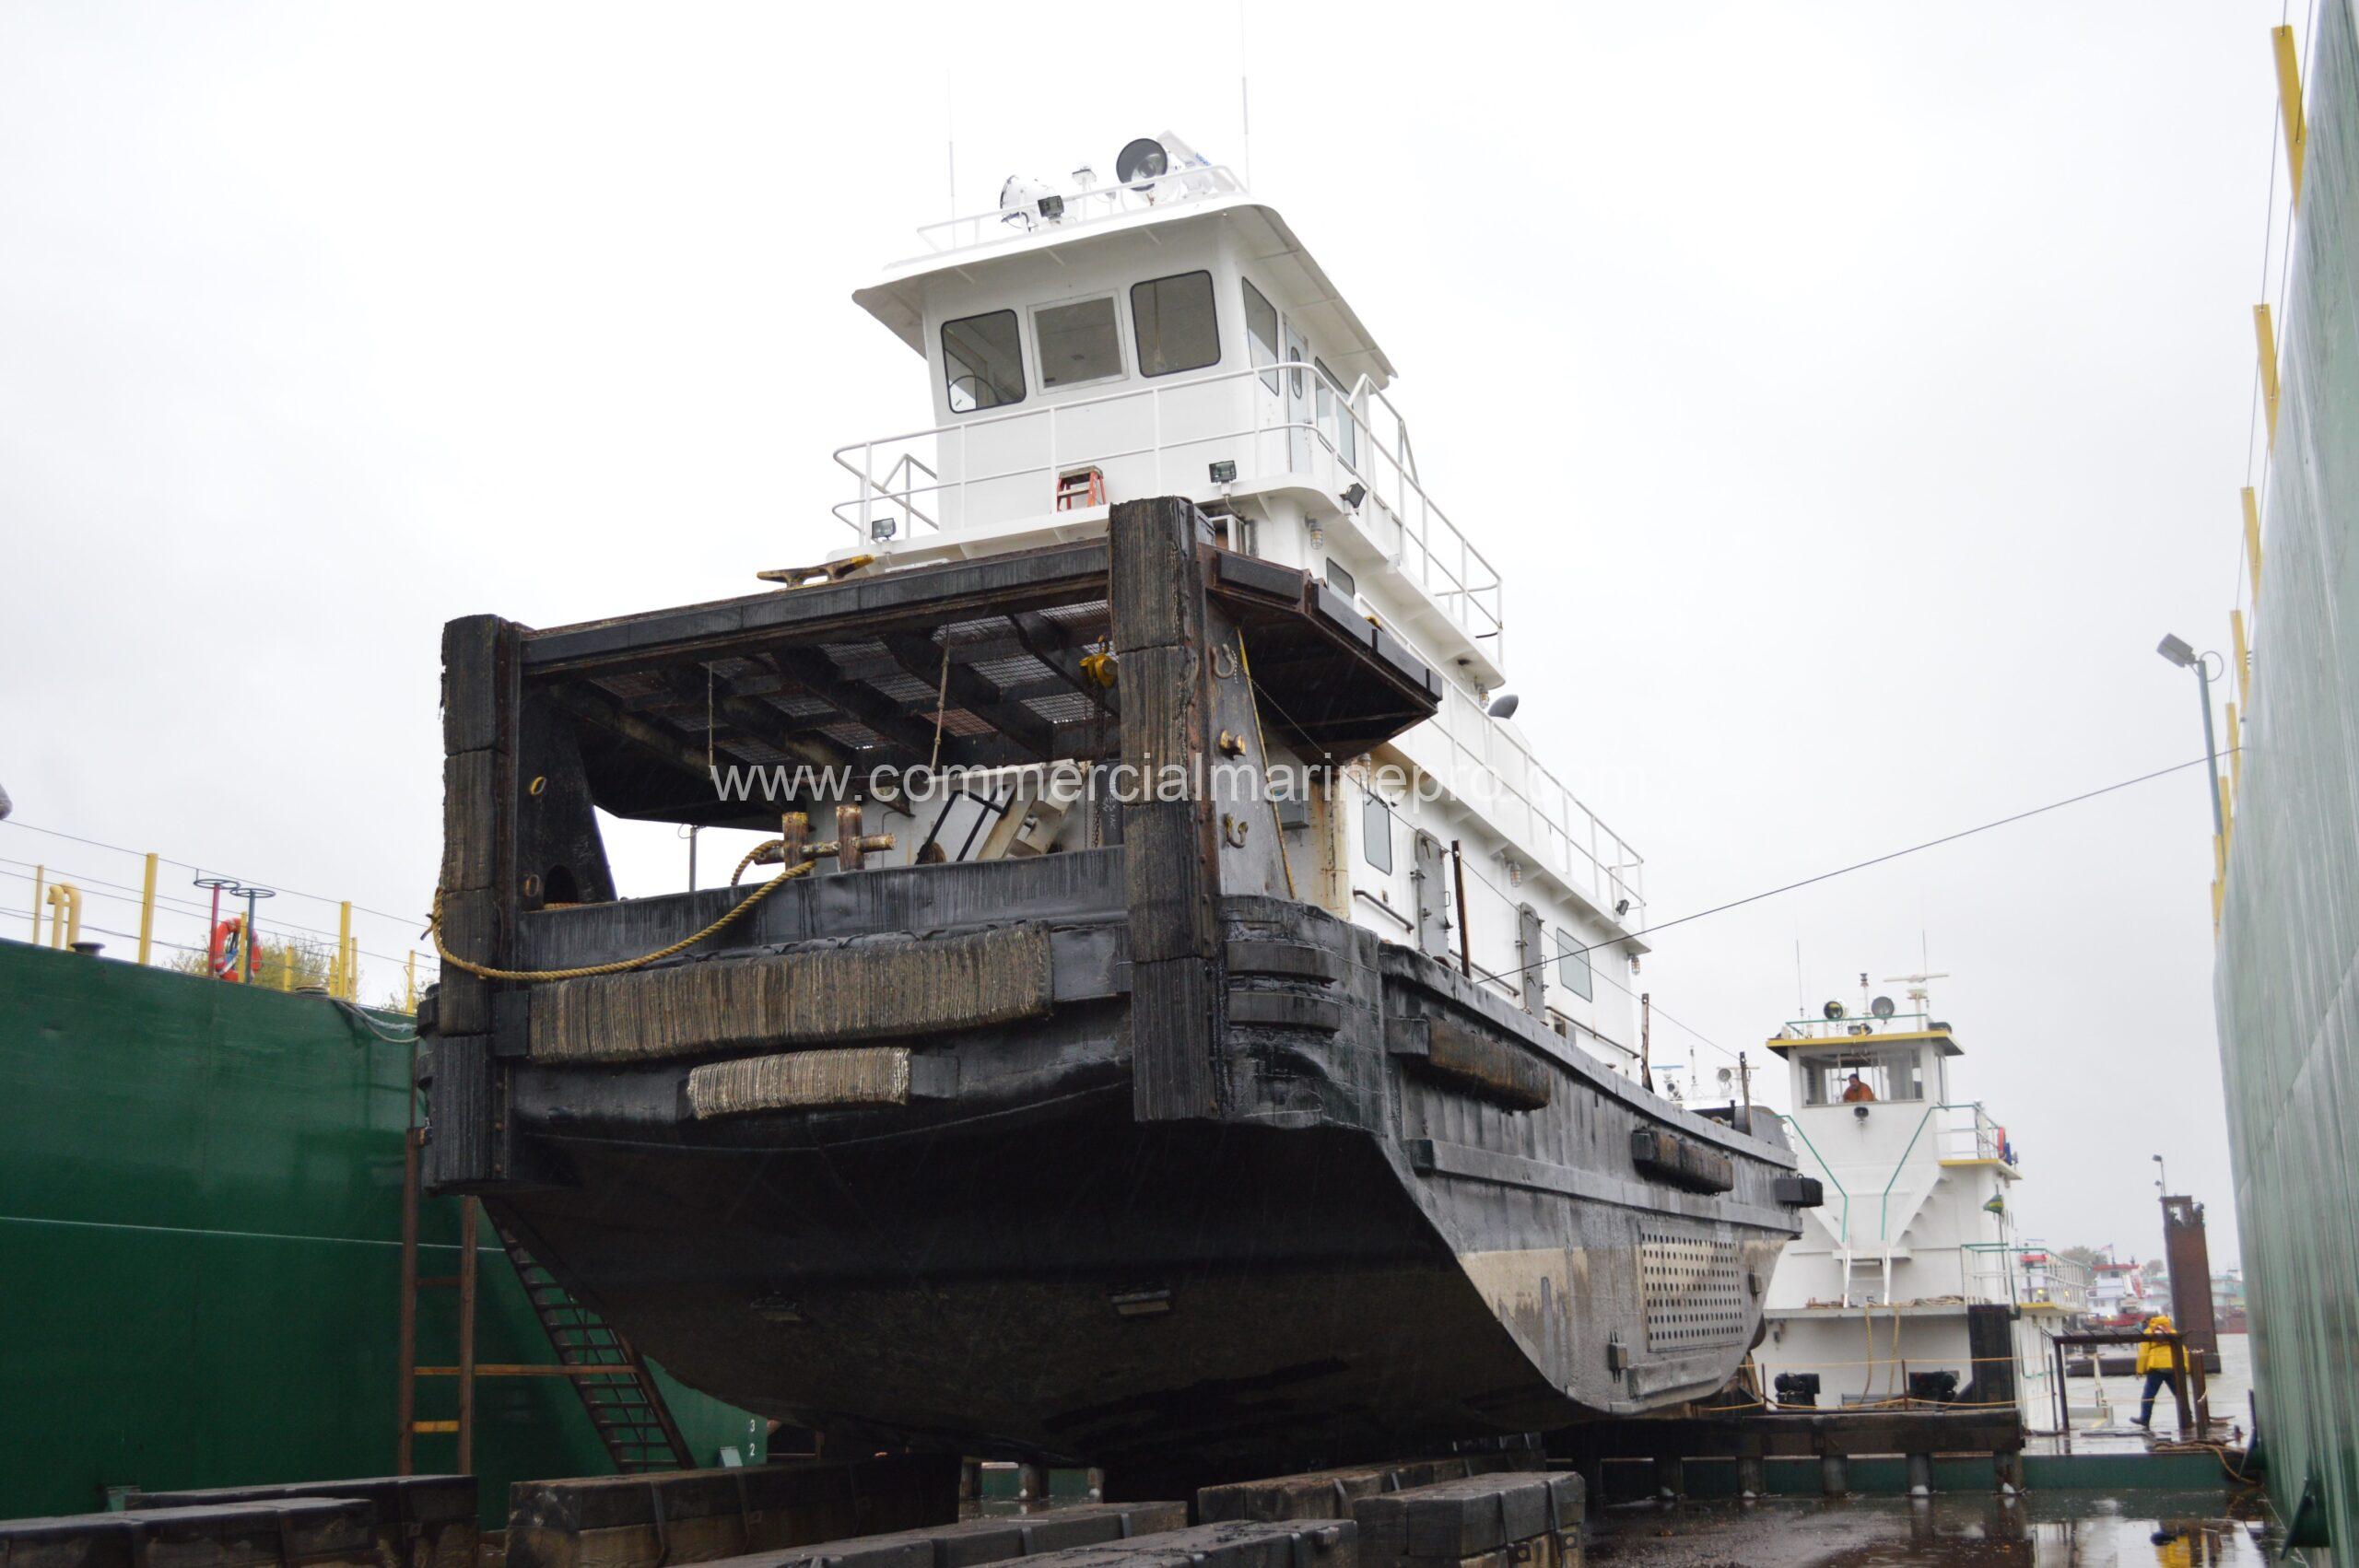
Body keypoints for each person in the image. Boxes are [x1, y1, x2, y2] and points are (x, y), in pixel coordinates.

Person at [2132, 1312, 2181, 1429]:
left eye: (2146, 1321)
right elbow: (2181, 1349)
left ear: (2149, 1320)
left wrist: (2139, 1370)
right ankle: (2188, 1417)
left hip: (2156, 1367)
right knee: (2180, 1394)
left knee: (2149, 1394)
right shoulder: (2171, 1331)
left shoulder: (2149, 1332)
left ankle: (2144, 1419)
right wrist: (2185, 1367)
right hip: (2172, 1365)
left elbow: (2143, 1352)